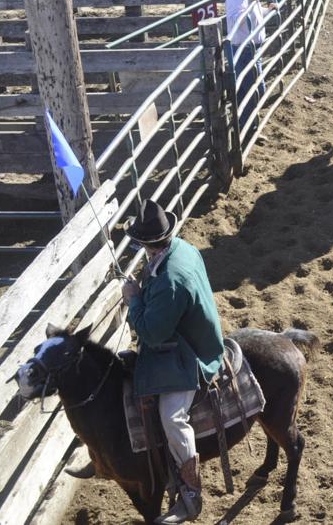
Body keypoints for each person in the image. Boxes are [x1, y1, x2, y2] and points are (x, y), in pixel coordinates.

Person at [121, 200, 225, 524]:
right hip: (188, 332)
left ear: (146, 244)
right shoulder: (181, 249)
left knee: (171, 416)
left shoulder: (169, 280)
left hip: (193, 351)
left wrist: (134, 300)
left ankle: (192, 493)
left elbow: (151, 333)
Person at [224, 0, 274, 131]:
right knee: (252, 90)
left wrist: (267, 10)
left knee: (252, 90)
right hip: (244, 50)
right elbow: (238, 20)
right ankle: (246, 129)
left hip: (250, 48)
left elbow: (254, 17)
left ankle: (248, 127)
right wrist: (253, 4)